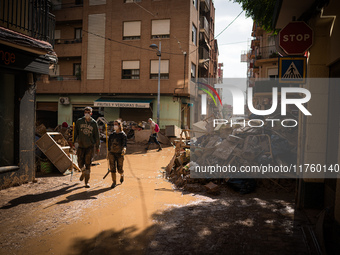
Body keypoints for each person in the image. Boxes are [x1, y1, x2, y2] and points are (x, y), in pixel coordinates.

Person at [73, 106, 100, 188]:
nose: (87, 114)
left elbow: (97, 136)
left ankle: (86, 182)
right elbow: (75, 132)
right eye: (85, 112)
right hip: (81, 146)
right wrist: (73, 142)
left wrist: (98, 147)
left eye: (88, 112)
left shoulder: (94, 123)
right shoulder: (79, 121)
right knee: (80, 162)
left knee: (88, 164)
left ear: (91, 113)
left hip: (90, 147)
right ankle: (83, 171)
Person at [108, 120, 127, 188]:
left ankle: (122, 175)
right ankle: (114, 182)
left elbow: (124, 144)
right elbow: (109, 144)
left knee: (120, 169)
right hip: (112, 153)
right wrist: (108, 153)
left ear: (119, 125)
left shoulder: (123, 135)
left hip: (119, 154)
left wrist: (124, 150)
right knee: (112, 168)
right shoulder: (112, 135)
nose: (114, 126)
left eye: (116, 124)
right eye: (114, 124)